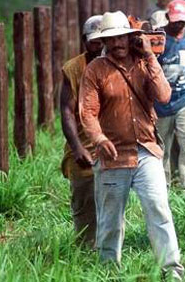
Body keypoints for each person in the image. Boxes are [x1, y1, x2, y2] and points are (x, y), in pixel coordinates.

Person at [78, 11, 184, 280]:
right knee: (110, 220)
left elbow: (164, 95)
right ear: (104, 41)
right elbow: (87, 112)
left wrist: (150, 56)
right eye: (110, 39)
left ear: (130, 36)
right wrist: (99, 139)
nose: (116, 44)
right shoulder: (95, 70)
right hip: (113, 155)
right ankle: (108, 271)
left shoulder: (144, 62)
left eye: (120, 38)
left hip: (146, 150)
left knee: (159, 208)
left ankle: (172, 271)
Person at [60, 15, 104, 248]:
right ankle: (85, 252)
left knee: (111, 204)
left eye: (102, 41)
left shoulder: (117, 63)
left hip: (112, 145)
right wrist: (76, 147)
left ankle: (109, 253)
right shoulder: (74, 69)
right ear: (84, 41)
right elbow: (66, 111)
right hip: (84, 147)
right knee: (85, 203)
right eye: (93, 41)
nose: (98, 46)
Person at [155, 0, 185, 191]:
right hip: (161, 103)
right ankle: (161, 190)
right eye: (175, 21)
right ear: (168, 18)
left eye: (182, 22)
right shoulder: (158, 39)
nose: (179, 25)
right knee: (160, 150)